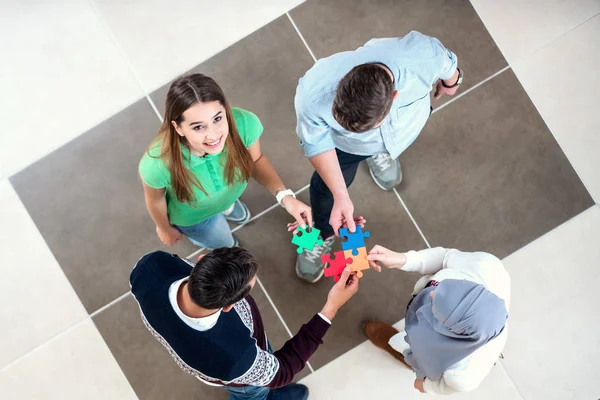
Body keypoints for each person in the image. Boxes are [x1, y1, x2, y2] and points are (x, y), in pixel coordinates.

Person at [293, 31, 463, 282]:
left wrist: (451, 83)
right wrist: (341, 196)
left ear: (394, 97)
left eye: (367, 128)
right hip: (345, 148)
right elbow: (316, 143)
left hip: (404, 128)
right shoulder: (312, 95)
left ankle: (380, 152)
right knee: (326, 189)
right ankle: (321, 234)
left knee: (379, 145)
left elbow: (450, 66)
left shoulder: (423, 55)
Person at [130, 247, 359, 399]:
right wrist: (331, 307)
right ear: (231, 306)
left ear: (201, 260)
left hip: (200, 351)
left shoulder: (151, 265)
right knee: (253, 392)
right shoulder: (235, 357)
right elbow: (282, 372)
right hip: (238, 375)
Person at [139, 73, 312, 250]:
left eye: (217, 119)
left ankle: (227, 206)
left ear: (225, 109)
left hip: (231, 191)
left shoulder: (244, 123)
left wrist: (285, 196)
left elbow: (256, 160)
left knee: (226, 204)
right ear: (178, 128)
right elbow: (155, 200)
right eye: (198, 127)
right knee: (224, 244)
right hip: (195, 217)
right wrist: (164, 228)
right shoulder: (157, 164)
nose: (214, 135)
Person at [363, 246, 510, 395]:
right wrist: (403, 259)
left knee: (422, 360)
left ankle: (408, 357)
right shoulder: (488, 267)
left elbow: (439, 385)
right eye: (450, 286)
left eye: (439, 306)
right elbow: (446, 257)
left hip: (447, 360)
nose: (432, 292)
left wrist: (426, 385)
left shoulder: (461, 375)